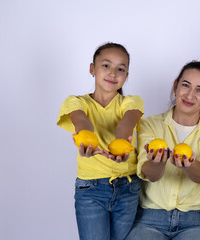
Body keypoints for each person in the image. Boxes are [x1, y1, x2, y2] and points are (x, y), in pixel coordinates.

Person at [126, 61, 200, 240]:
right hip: (149, 218)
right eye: (185, 85)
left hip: (198, 221)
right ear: (175, 86)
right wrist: (158, 162)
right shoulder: (149, 124)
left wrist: (189, 164)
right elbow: (150, 174)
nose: (190, 95)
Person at [57, 42, 144, 240]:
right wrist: (88, 142)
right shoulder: (76, 102)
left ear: (126, 76)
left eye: (120, 69)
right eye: (106, 65)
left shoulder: (132, 102)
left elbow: (126, 124)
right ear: (92, 69)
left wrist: (120, 146)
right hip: (90, 190)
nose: (113, 73)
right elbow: (82, 122)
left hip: (128, 188)